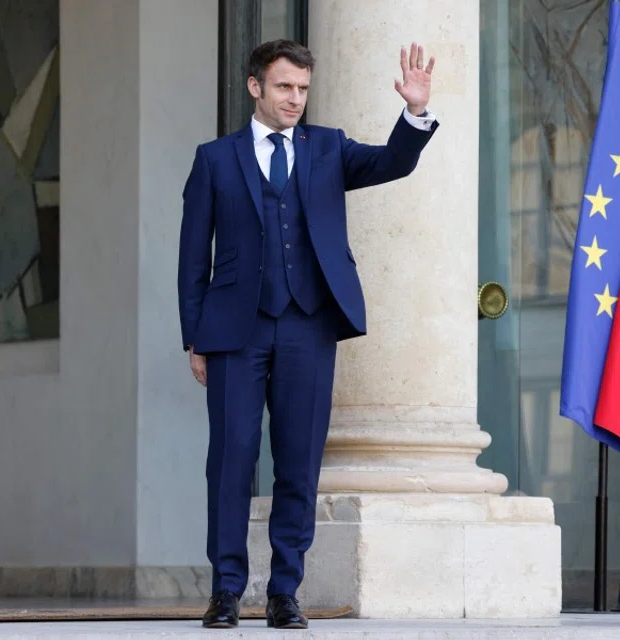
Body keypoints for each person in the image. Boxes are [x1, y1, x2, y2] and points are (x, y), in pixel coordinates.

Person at [177, 38, 438, 630]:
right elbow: (193, 257)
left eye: (302, 89)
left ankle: (284, 592)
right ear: (255, 87)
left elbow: (392, 162)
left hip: (308, 325)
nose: (295, 99)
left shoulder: (328, 149)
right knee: (232, 459)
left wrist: (414, 114)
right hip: (233, 335)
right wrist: (194, 337)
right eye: (283, 87)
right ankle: (225, 591)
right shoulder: (215, 159)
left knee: (298, 460)